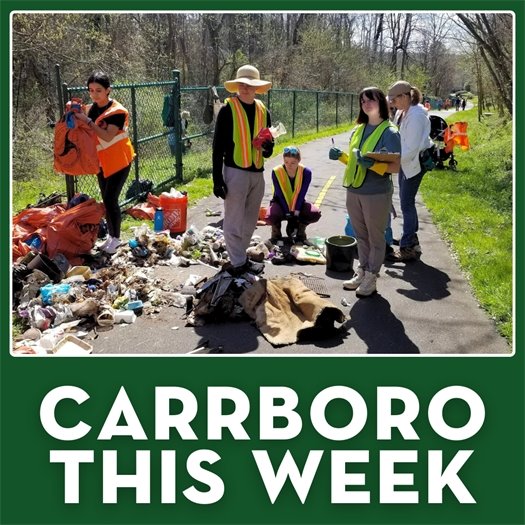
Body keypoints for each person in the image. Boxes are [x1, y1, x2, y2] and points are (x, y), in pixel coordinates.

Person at [329, 86, 401, 297]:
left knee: (376, 237)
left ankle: (372, 276)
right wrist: (341, 156)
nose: (366, 104)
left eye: (371, 100)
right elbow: (355, 162)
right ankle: (362, 271)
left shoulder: (390, 132)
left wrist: (372, 165)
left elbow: (395, 167)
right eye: (362, 101)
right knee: (360, 235)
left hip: (376, 192)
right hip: (354, 190)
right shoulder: (358, 129)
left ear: (381, 103)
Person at [212, 64, 274, 276]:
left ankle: (240, 258)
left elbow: (268, 148)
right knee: (233, 220)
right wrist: (217, 179)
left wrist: (268, 148)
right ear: (237, 86)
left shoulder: (263, 111)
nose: (245, 89)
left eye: (249, 85)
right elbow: (217, 146)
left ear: (256, 87)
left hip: (257, 172)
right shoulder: (228, 109)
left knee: (249, 220)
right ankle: (238, 263)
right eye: (241, 85)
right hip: (235, 171)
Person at [73, 71, 135, 254]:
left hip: (120, 160)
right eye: (91, 90)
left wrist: (88, 121)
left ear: (108, 90)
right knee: (107, 201)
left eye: (98, 90)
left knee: (110, 199)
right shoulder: (91, 108)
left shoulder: (116, 111)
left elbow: (107, 137)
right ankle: (110, 236)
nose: (94, 94)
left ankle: (116, 239)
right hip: (102, 162)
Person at [388, 80, 434, 261]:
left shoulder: (416, 116)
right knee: (406, 201)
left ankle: (408, 247)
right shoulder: (402, 111)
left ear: (405, 96)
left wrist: (392, 162)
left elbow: (412, 148)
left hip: (414, 163)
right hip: (405, 162)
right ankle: (410, 236)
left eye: (395, 99)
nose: (392, 102)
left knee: (406, 203)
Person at [265, 146, 321, 244]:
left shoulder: (306, 172)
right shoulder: (277, 171)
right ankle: (276, 233)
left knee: (315, 213)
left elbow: (301, 194)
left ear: (299, 161)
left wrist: (296, 214)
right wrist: (287, 214)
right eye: (286, 162)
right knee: (270, 216)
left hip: (298, 204)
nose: (289, 165)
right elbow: (280, 194)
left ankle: (300, 230)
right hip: (280, 203)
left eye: (293, 163)